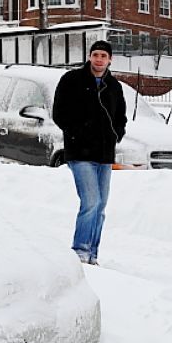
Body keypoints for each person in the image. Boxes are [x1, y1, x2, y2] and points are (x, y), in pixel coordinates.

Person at [52, 39, 127, 266]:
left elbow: (120, 117)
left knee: (101, 207)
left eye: (104, 56)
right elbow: (59, 112)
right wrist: (76, 134)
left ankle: (93, 252)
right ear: (89, 56)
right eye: (95, 55)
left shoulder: (114, 86)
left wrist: (117, 135)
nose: (99, 59)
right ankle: (80, 250)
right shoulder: (71, 80)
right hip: (80, 152)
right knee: (91, 201)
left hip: (104, 154)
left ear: (110, 59)